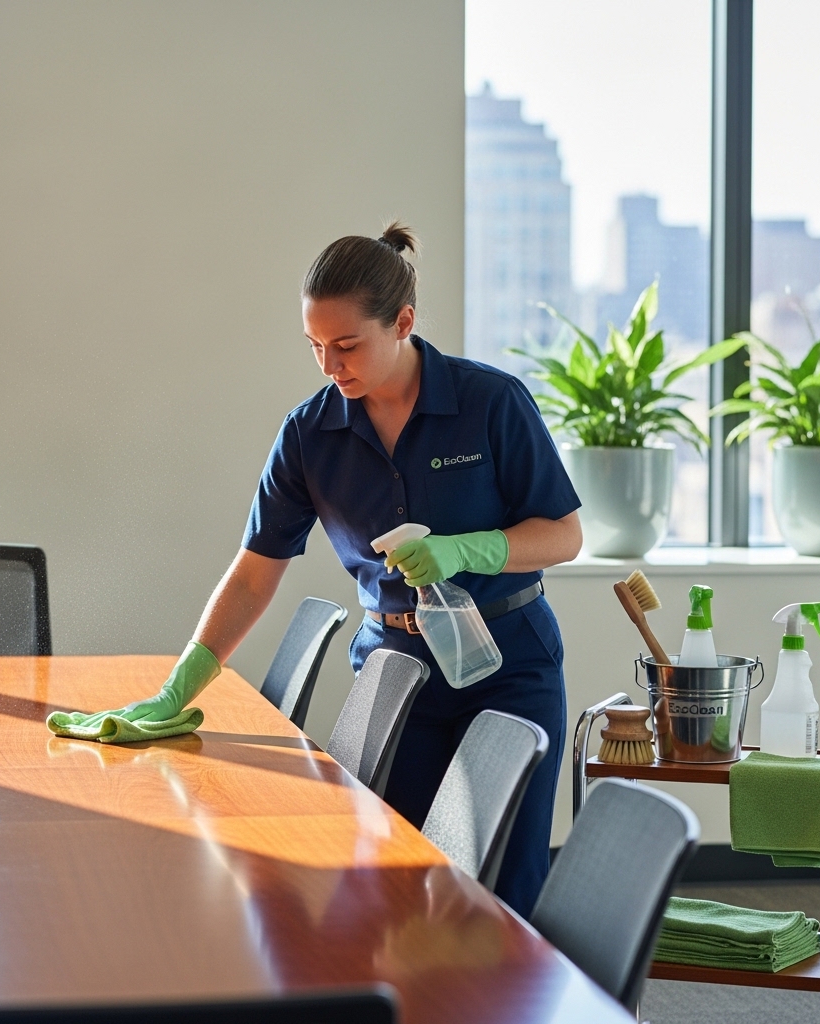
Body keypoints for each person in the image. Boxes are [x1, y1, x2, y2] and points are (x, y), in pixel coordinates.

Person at [49, 223, 582, 916]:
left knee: (500, 898)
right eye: (316, 348)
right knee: (390, 890)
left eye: (348, 345)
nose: (330, 366)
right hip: (397, 673)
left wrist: (468, 549)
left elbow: (564, 535)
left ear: (404, 323)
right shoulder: (310, 434)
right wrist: (182, 682)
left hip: (508, 664)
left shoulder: (492, 403)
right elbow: (253, 571)